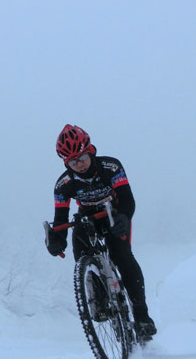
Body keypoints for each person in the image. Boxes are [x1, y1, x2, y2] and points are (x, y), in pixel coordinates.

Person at [45, 124, 157, 340]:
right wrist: (56, 240)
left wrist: (124, 216)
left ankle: (142, 316)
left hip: (113, 213)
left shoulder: (110, 167)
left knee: (122, 256)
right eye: (73, 162)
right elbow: (60, 219)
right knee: (81, 257)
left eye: (83, 158)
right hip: (86, 217)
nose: (80, 165)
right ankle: (101, 301)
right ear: (65, 162)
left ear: (91, 150)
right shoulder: (63, 185)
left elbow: (126, 198)